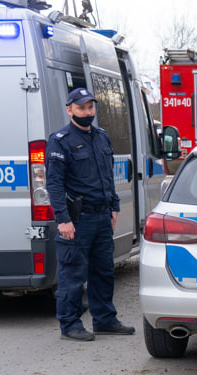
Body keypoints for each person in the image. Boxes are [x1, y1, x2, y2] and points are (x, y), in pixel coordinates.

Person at [46, 87, 136, 341]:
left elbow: (108, 176)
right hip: (77, 219)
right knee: (73, 273)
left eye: (90, 107)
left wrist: (114, 206)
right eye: (81, 108)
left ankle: (105, 319)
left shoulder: (102, 137)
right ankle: (70, 324)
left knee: (103, 271)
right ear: (69, 109)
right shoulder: (60, 140)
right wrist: (63, 219)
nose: (87, 112)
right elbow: (54, 184)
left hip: (101, 216)